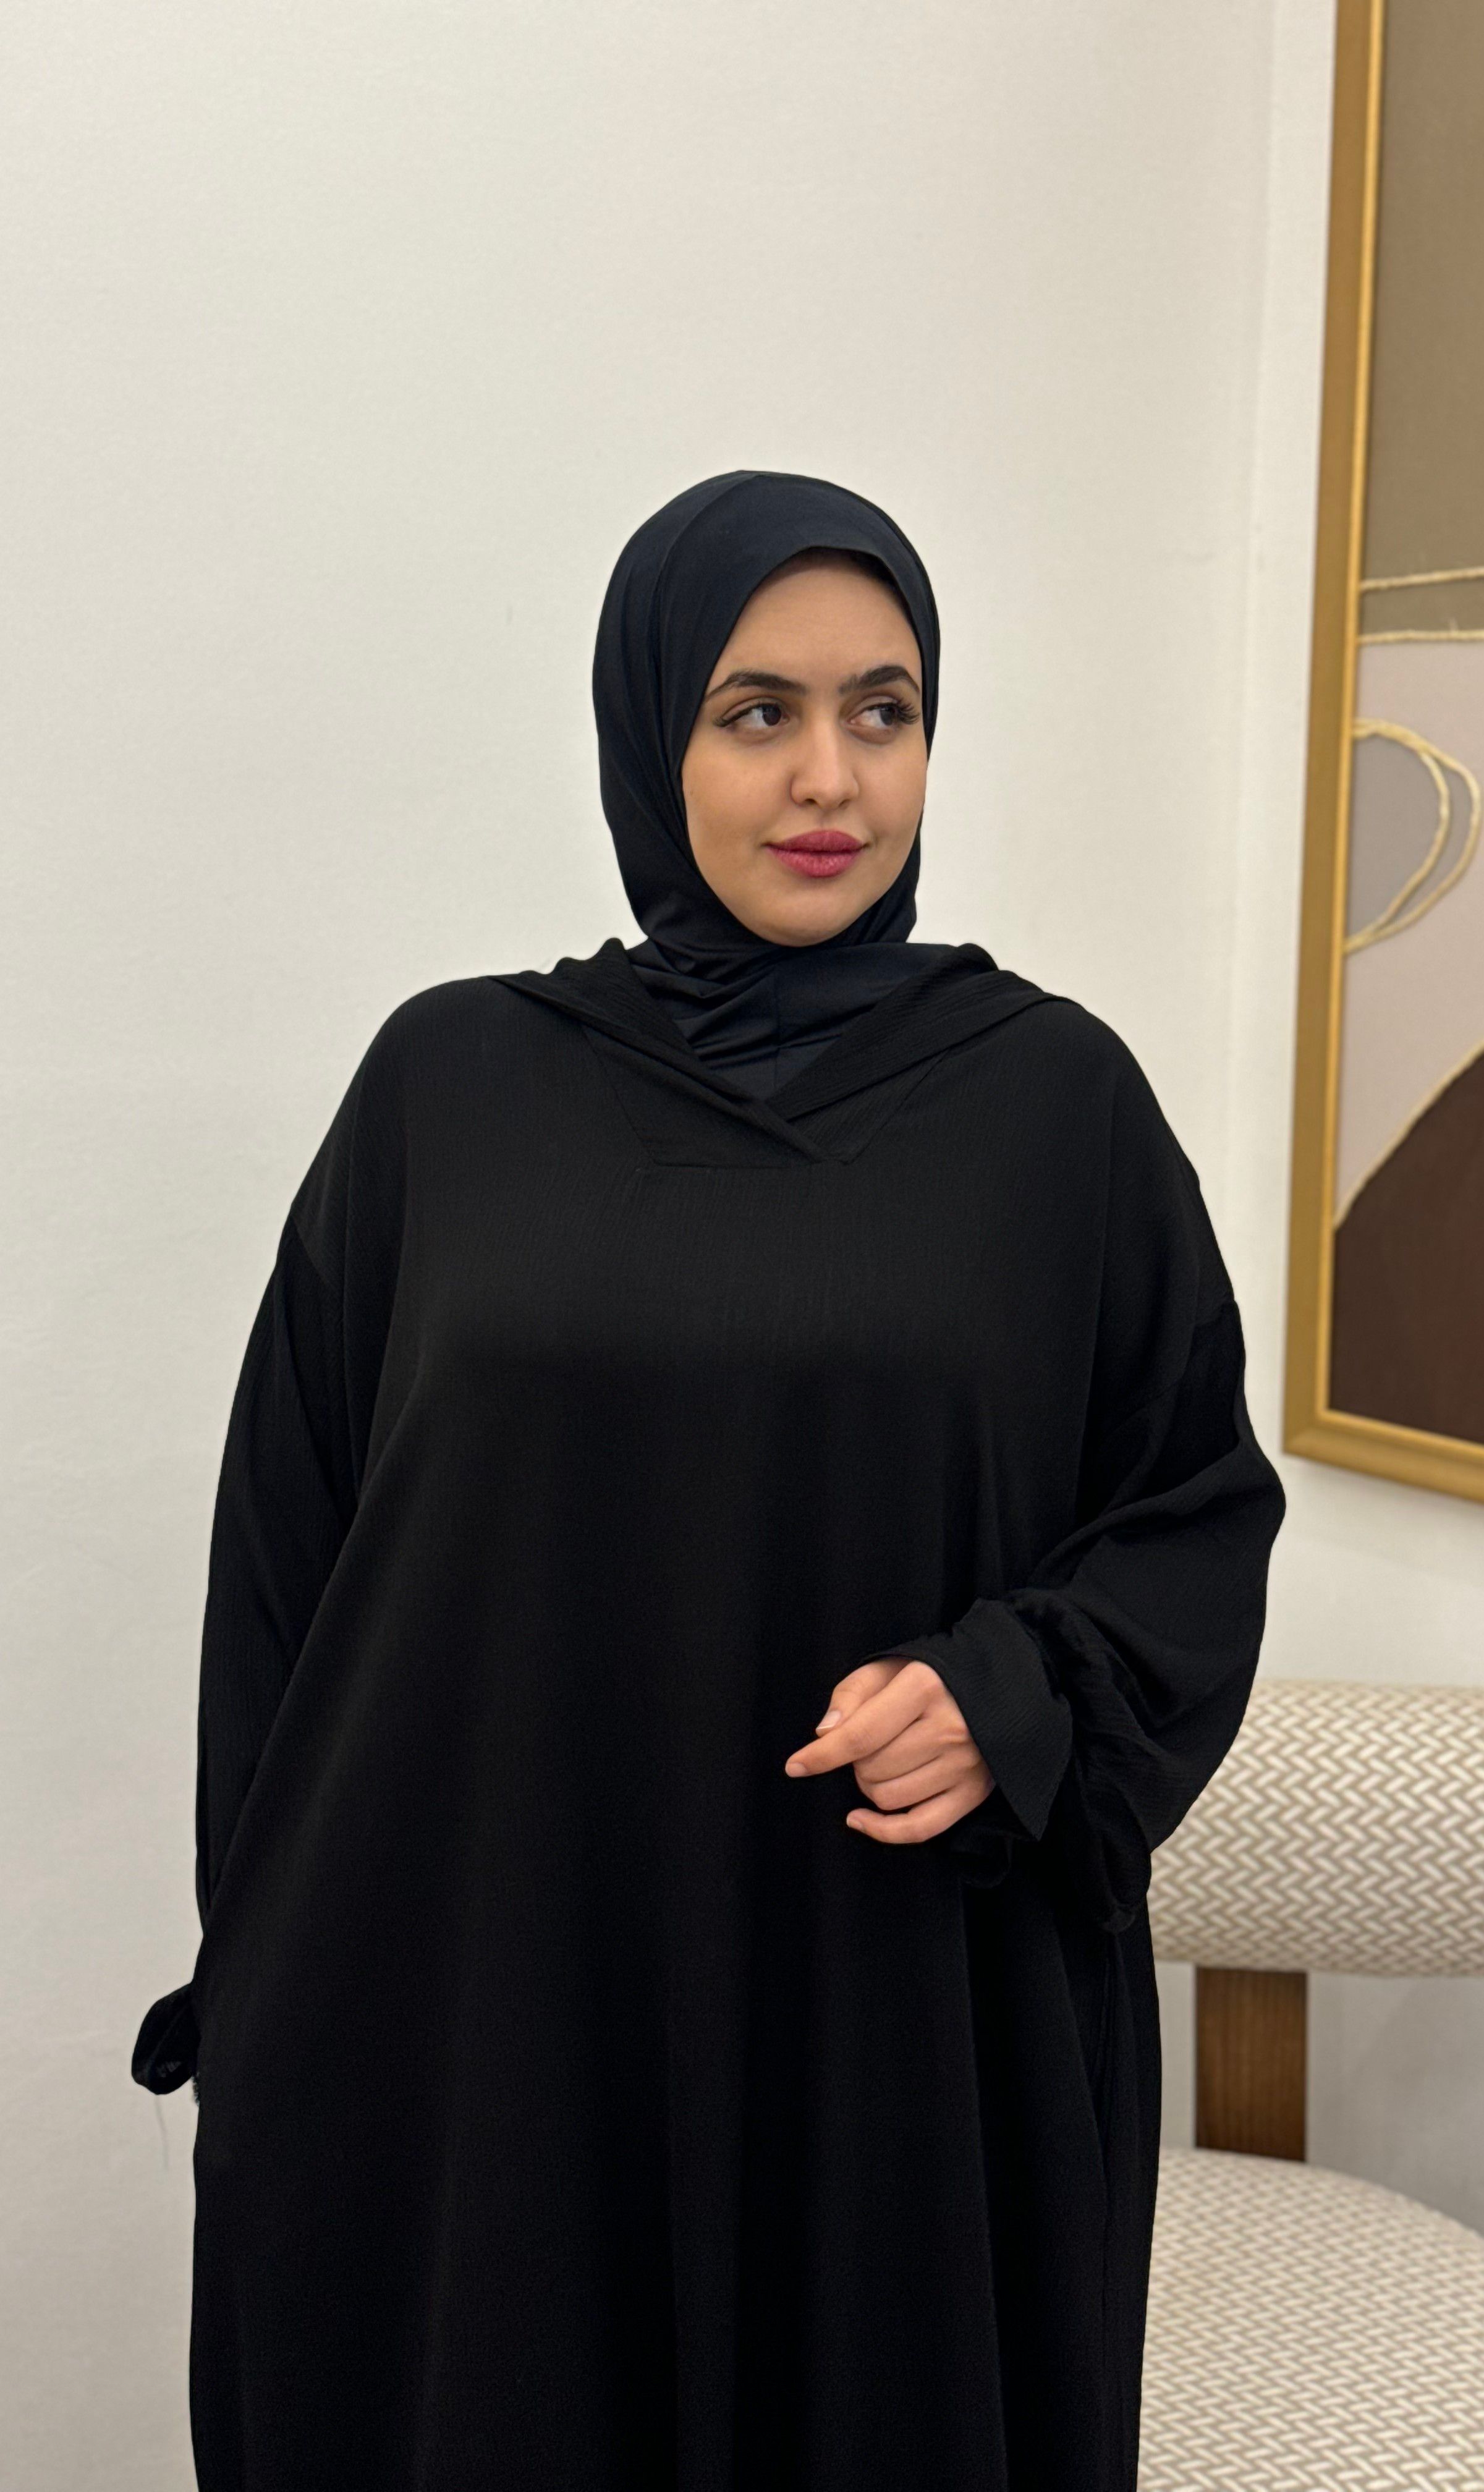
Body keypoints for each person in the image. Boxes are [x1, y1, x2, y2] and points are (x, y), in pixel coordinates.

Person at [133, 468, 1286, 2492]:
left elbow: (1189, 1513)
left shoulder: (1057, 1111)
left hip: (894, 2019)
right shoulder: (449, 1089)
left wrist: (1014, 1688)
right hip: (489, 1993)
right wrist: (268, 1962)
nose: (828, 778)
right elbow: (288, 1569)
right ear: (649, 730)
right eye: (756, 712)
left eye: (883, 710)